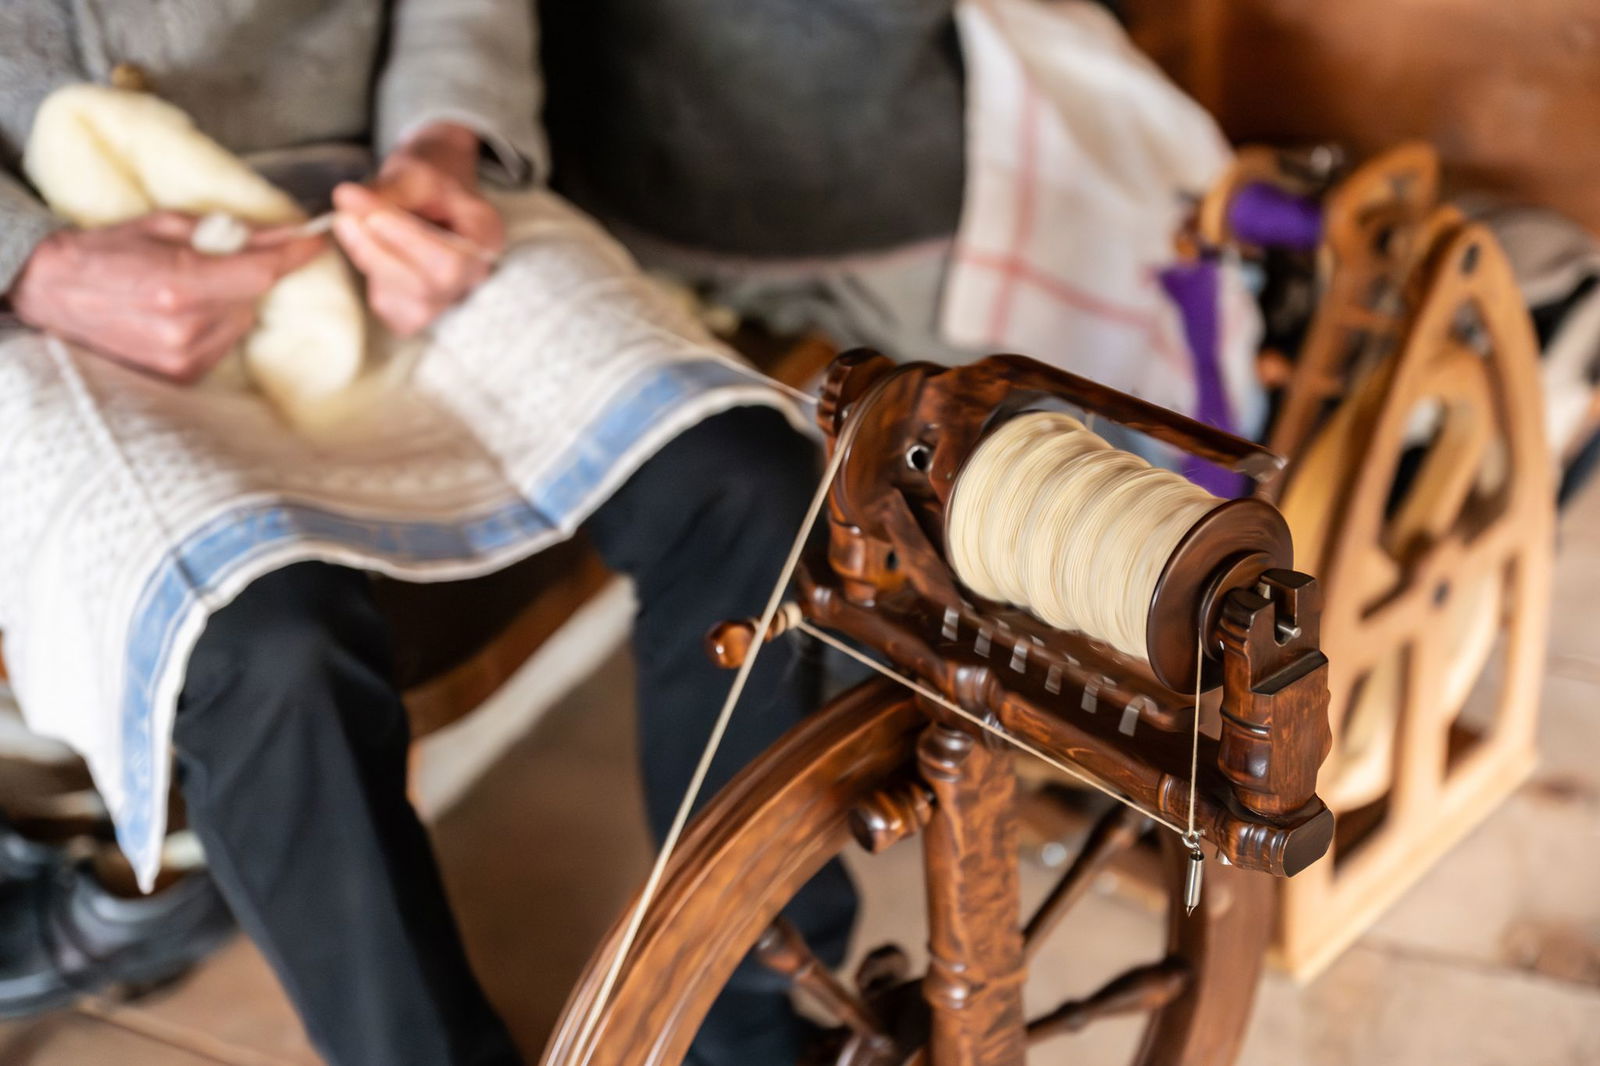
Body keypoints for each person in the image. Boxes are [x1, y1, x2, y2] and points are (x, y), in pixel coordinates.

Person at [0, 2, 859, 1064]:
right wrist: (32, 263)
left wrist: (446, 138)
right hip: (46, 283)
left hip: (376, 191)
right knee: (261, 644)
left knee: (742, 474)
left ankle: (757, 1015)